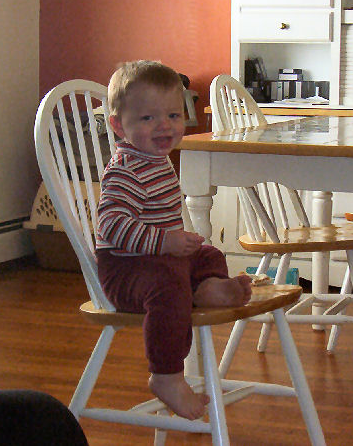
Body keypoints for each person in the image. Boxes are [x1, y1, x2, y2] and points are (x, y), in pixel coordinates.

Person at [95, 60, 252, 420]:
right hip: (125, 270)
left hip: (159, 259)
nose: (164, 125)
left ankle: (205, 287)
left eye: (173, 115)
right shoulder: (126, 169)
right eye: (148, 118)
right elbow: (111, 225)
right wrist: (165, 242)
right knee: (167, 286)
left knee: (208, 253)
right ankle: (166, 375)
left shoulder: (156, 158)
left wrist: (177, 245)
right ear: (118, 125)